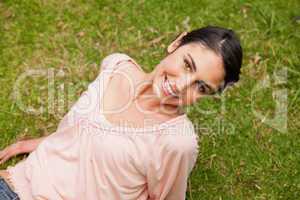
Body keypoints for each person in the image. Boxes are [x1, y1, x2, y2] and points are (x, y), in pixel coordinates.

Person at [0, 26, 243, 200]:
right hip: (13, 181)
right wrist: (30, 145)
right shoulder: (117, 66)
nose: (181, 86)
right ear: (176, 44)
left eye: (200, 87)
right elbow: (80, 134)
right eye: (187, 64)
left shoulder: (177, 142)